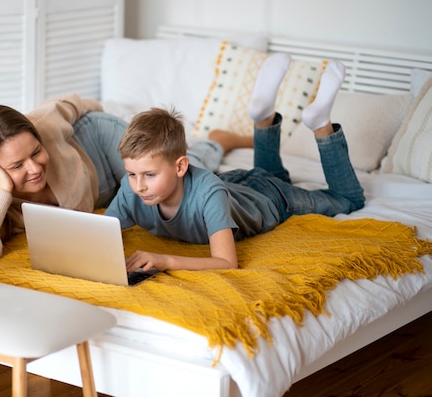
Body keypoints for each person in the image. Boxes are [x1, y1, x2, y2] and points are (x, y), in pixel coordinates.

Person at [104, 54, 366, 273]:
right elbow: (101, 234)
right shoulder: (132, 190)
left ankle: (321, 124)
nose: (139, 186)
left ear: (181, 167)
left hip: (271, 198)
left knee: (348, 199)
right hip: (235, 184)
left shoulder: (207, 193)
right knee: (269, 173)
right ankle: (263, 116)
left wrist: (165, 260)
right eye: (131, 174)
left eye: (149, 175)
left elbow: (227, 263)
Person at [0, 94, 224, 264]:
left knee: (184, 177)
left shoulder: (44, 124)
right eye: (18, 165)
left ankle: (214, 142)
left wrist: (100, 109)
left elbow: (74, 104)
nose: (35, 168)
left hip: (100, 141)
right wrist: (3, 191)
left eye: (37, 152)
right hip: (101, 192)